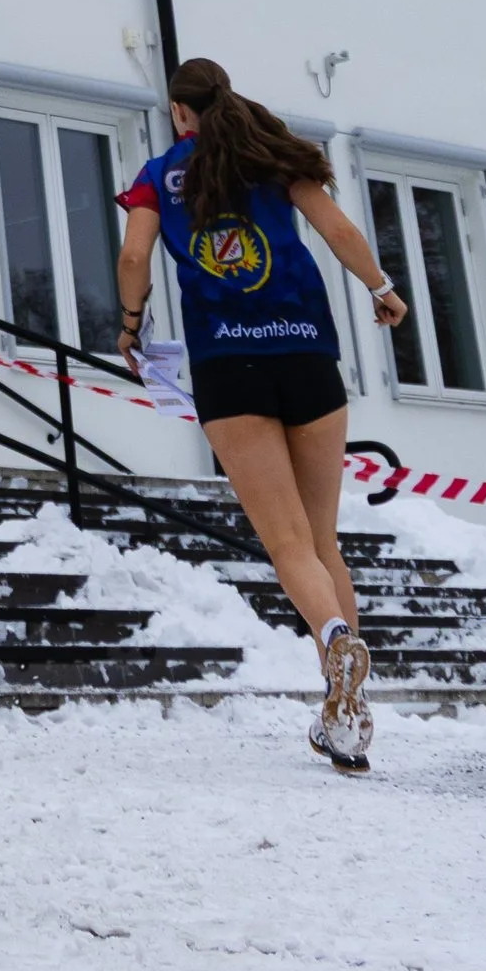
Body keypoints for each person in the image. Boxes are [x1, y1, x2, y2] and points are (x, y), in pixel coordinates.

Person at [116, 55, 411, 773]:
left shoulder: (160, 173)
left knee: (286, 546)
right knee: (322, 540)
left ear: (181, 113)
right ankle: (343, 714)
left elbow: (134, 253)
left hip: (228, 366)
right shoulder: (276, 158)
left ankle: (337, 640)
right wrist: (382, 286)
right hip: (308, 357)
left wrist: (130, 323)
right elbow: (337, 230)